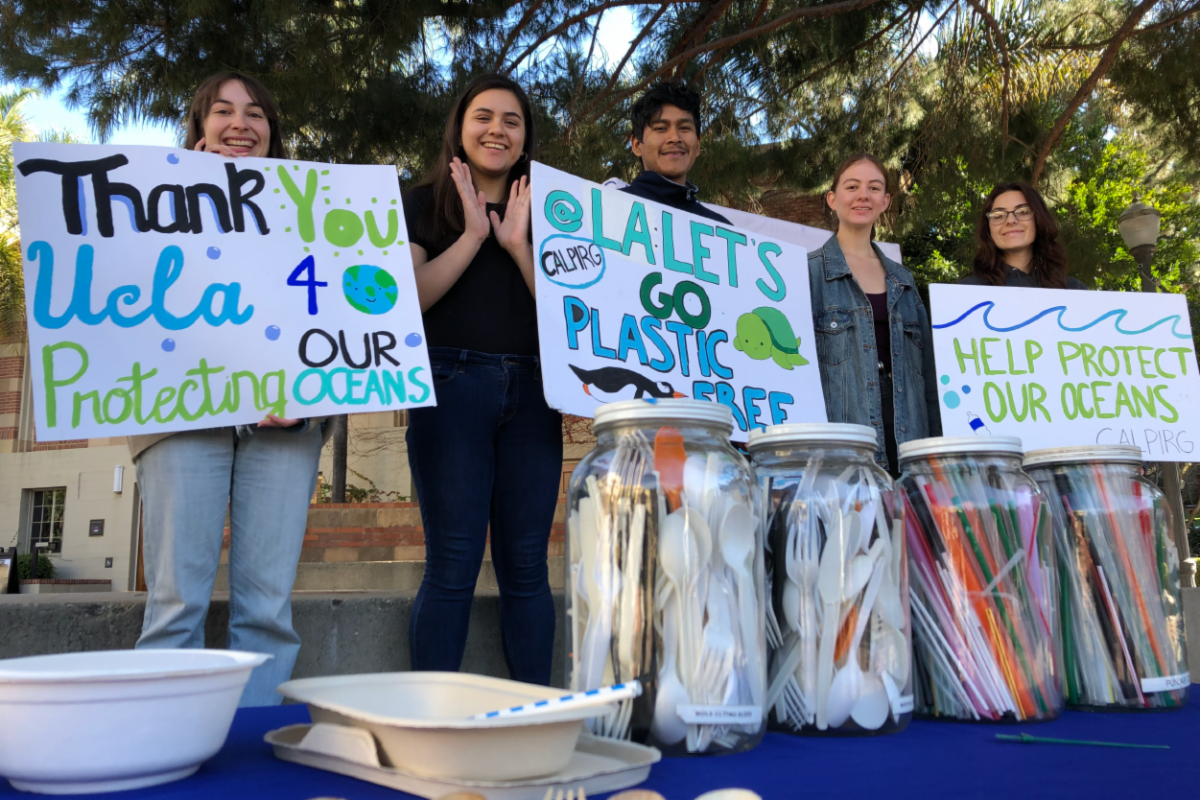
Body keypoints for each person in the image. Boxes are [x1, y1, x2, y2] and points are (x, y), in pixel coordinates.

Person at [129, 72, 326, 706]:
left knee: (268, 609)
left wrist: (306, 400)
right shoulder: (146, 202)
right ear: (199, 127)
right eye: (223, 111)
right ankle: (160, 746)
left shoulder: (316, 207)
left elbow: (335, 312)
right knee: (174, 605)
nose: (241, 123)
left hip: (285, 429)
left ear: (273, 132)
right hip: (179, 419)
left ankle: (252, 754)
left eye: (256, 114)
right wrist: (190, 193)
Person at [403, 74, 561, 685]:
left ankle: (534, 717)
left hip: (533, 393)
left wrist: (519, 245)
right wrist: (473, 235)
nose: (497, 129)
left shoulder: (552, 211)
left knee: (527, 566)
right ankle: (429, 721)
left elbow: (571, 317)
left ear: (525, 138)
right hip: (449, 385)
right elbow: (407, 299)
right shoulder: (419, 202)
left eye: (512, 121)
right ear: (460, 128)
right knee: (452, 564)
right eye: (484, 117)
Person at [808, 153, 941, 474]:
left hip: (910, 438)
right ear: (832, 199)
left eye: (874, 188)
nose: (863, 195)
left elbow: (929, 376)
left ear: (885, 201)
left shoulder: (904, 280)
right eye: (852, 186)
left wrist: (939, 451)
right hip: (845, 443)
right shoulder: (808, 273)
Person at [619, 82, 730, 224]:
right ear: (636, 145)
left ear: (697, 145)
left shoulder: (723, 231)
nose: (675, 138)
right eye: (661, 128)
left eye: (684, 128)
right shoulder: (605, 210)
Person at [961, 182, 1088, 289]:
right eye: (999, 215)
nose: (1011, 220)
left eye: (1022, 212)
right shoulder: (968, 291)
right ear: (988, 228)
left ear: (1039, 220)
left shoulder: (1073, 290)